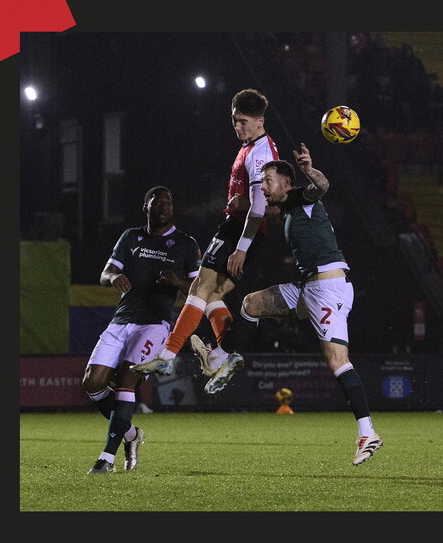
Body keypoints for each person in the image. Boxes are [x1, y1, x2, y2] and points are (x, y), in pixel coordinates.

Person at [190, 143, 383, 465]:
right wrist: (239, 203)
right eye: (261, 181)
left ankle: (367, 433)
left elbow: (321, 187)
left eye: (268, 180)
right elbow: (259, 211)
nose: (262, 187)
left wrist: (309, 170)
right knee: (252, 303)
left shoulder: (303, 199)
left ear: (287, 183)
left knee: (337, 360)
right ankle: (220, 357)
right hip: (308, 287)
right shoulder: (289, 208)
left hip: (328, 289)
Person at [131, 89, 278, 393]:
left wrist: (240, 248)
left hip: (238, 232)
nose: (238, 127)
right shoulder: (252, 145)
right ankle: (222, 356)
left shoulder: (261, 152)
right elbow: (253, 200)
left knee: (199, 289)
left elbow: (259, 208)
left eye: (244, 122)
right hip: (240, 230)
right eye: (235, 120)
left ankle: (168, 355)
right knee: (210, 296)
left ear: (260, 121)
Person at [82, 186, 201, 474]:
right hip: (121, 320)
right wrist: (114, 277)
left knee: (126, 380)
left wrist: (177, 283)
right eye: (157, 201)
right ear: (145, 206)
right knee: (92, 382)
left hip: (154, 324)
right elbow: (105, 273)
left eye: (168, 202)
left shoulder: (185, 244)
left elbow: (200, 291)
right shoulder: (131, 237)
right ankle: (131, 434)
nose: (164, 206)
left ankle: (106, 460)